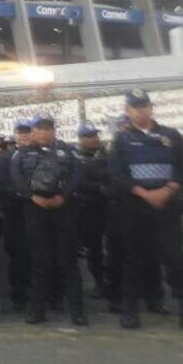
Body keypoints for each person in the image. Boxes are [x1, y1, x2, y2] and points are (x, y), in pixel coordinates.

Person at [108, 89, 183, 332]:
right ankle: (131, 310)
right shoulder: (121, 140)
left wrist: (168, 190)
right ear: (127, 111)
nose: (140, 110)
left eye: (144, 106)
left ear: (151, 108)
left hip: (168, 207)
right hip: (135, 209)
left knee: (175, 260)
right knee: (134, 260)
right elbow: (116, 176)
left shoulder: (171, 135)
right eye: (135, 107)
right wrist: (145, 194)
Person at [11, 112, 86, 326]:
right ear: (32, 131)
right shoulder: (21, 154)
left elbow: (77, 175)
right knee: (39, 263)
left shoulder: (68, 151)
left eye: (48, 128)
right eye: (39, 128)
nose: (43, 132)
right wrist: (32, 196)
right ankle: (36, 311)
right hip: (35, 210)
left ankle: (77, 312)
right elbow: (16, 177)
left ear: (54, 131)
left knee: (68, 262)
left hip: (64, 209)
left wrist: (62, 196)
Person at [0, 119, 33, 311]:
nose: (25, 135)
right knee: (18, 255)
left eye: (28, 131)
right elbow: (2, 183)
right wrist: (25, 194)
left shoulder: (45, 154)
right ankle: (19, 295)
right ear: (15, 134)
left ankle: (50, 294)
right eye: (21, 132)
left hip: (40, 211)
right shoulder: (7, 157)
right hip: (15, 212)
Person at [74, 122, 109, 300]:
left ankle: (114, 281)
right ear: (81, 139)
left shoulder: (107, 154)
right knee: (94, 249)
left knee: (115, 247)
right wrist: (100, 187)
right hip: (88, 209)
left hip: (109, 207)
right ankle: (99, 282)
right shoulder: (76, 157)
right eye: (89, 136)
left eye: (95, 135)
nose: (94, 139)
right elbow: (78, 182)